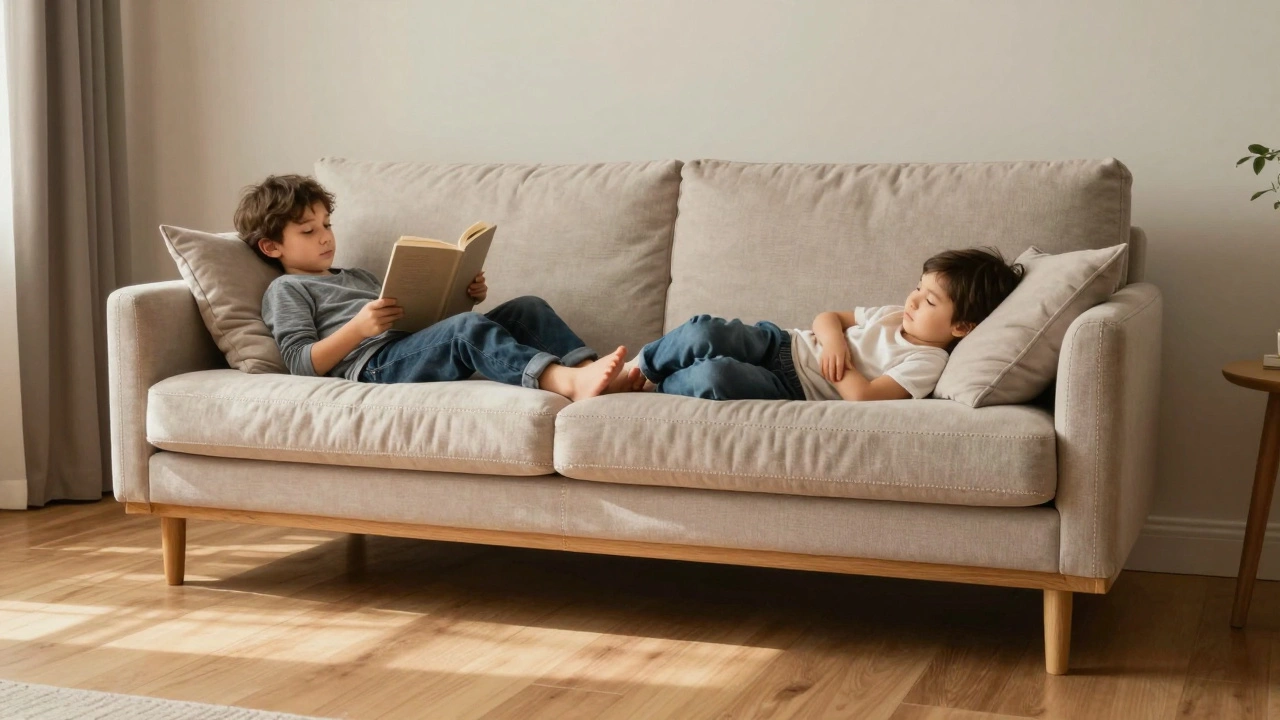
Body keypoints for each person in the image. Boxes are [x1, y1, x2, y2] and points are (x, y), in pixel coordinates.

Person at [237, 174, 631, 400]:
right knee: (464, 331)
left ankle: (588, 371)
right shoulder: (287, 289)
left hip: (408, 345)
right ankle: (563, 381)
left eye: (326, 225)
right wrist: (357, 329)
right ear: (272, 247)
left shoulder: (357, 276)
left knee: (526, 307)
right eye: (308, 230)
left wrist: (462, 295)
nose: (324, 237)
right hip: (374, 366)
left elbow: (429, 328)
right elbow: (300, 363)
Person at [623, 248, 1023, 401]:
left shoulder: (927, 363)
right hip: (783, 344)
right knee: (705, 331)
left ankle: (654, 389)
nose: (914, 299)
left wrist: (842, 366)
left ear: (963, 327)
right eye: (918, 288)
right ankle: (640, 368)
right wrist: (834, 342)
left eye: (930, 300)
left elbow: (865, 399)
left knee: (716, 376)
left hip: (795, 388)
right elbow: (828, 318)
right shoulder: (891, 314)